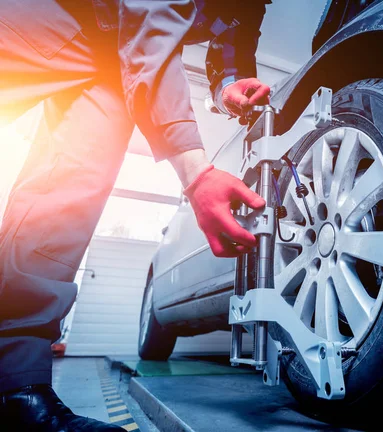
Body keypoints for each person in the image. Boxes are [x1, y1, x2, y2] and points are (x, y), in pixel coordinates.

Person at [0, 0, 271, 429]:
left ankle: (13, 389)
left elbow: (232, 55)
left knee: (65, 199)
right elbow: (151, 18)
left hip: (110, 65)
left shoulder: (254, 7)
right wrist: (196, 174)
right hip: (52, 17)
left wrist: (229, 88)